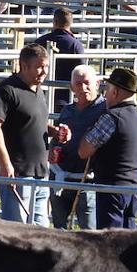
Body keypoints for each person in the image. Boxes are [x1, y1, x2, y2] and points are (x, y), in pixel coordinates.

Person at [0, 44, 72, 226]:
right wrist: (5, 163)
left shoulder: (38, 89)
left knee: (40, 231)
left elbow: (32, 121)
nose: (44, 72)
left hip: (40, 172)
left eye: (46, 67)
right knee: (16, 229)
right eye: (39, 67)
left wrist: (53, 131)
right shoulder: (6, 91)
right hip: (17, 173)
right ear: (23, 66)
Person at [76, 67, 137, 229]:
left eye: (107, 90)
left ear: (115, 91)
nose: (106, 94)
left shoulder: (111, 117)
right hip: (133, 187)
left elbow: (84, 151)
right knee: (129, 242)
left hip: (111, 189)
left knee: (110, 243)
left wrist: (89, 131)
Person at [48, 65, 107, 231]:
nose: (83, 88)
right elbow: (57, 137)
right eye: (78, 83)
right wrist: (53, 149)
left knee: (90, 231)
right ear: (71, 87)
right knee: (59, 228)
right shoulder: (67, 110)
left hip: (88, 178)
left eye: (87, 82)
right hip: (62, 176)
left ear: (97, 83)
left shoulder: (105, 109)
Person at [32, 8, 87, 107]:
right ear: (70, 23)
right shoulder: (75, 45)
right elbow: (82, 71)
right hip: (66, 97)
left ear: (55, 22)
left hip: (40, 95)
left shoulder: (40, 41)